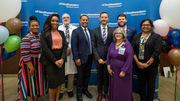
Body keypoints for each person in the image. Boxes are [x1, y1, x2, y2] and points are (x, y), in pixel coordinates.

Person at [132, 19, 162, 101]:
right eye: (144, 25)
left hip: (152, 66)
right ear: (141, 26)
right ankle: (142, 98)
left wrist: (147, 64)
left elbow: (156, 52)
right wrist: (138, 63)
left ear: (151, 26)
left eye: (148, 25)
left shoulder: (156, 37)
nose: (145, 26)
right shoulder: (136, 36)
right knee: (141, 84)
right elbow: (132, 50)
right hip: (139, 65)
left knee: (151, 85)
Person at [18, 15, 46, 101]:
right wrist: (31, 68)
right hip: (29, 64)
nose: (35, 27)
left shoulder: (41, 36)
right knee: (30, 84)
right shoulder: (26, 38)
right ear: (29, 26)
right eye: (33, 26)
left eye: (36, 25)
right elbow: (24, 54)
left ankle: (35, 99)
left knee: (36, 83)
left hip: (39, 63)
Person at [40, 14, 67, 101]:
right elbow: (45, 49)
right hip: (50, 60)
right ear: (49, 22)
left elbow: (65, 46)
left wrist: (62, 59)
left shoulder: (61, 32)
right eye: (53, 21)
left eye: (57, 21)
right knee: (52, 83)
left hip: (61, 59)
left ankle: (56, 99)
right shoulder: (44, 33)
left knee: (59, 82)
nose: (55, 22)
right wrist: (55, 61)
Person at [92, 12, 114, 101]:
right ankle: (100, 93)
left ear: (108, 19)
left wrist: (109, 58)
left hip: (109, 57)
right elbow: (93, 45)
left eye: (105, 17)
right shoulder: (94, 31)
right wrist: (98, 58)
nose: (104, 19)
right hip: (99, 58)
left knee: (107, 76)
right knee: (99, 76)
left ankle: (106, 93)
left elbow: (113, 45)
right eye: (102, 17)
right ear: (99, 19)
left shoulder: (112, 30)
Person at [106, 28, 133, 101]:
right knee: (114, 87)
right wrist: (108, 67)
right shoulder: (112, 44)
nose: (118, 34)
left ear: (123, 35)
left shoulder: (127, 44)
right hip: (113, 71)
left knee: (122, 88)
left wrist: (124, 70)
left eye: (120, 33)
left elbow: (129, 58)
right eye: (116, 33)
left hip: (123, 71)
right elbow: (108, 56)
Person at [71, 15, 93, 101]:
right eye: (83, 20)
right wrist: (76, 58)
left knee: (87, 76)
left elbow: (92, 45)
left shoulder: (91, 31)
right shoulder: (76, 31)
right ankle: (79, 94)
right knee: (80, 77)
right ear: (80, 21)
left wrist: (93, 56)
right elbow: (74, 46)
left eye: (86, 20)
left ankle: (85, 90)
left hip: (90, 57)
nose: (85, 21)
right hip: (80, 59)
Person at [58, 13, 77, 99]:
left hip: (72, 53)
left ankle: (70, 90)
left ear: (70, 18)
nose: (66, 19)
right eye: (64, 18)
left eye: (67, 17)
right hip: (61, 53)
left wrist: (70, 48)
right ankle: (61, 90)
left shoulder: (75, 28)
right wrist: (64, 49)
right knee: (61, 72)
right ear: (62, 19)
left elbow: (76, 41)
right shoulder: (58, 28)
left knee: (71, 73)